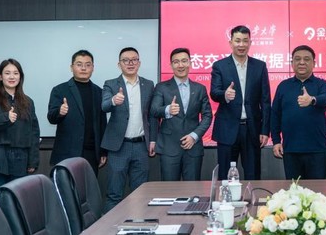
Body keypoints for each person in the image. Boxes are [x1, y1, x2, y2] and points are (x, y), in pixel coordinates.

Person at [210, 25, 272, 180]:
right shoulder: (220, 66)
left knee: (253, 175)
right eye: (237, 40)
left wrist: (265, 130)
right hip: (227, 129)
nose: (241, 44)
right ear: (231, 42)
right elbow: (214, 92)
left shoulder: (259, 66)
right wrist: (225, 94)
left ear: (250, 43)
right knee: (225, 176)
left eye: (245, 41)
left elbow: (265, 101)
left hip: (252, 130)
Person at [100, 47, 156, 211]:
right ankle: (110, 226)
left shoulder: (148, 84)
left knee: (140, 194)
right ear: (119, 64)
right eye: (126, 60)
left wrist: (153, 140)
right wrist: (113, 100)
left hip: (141, 146)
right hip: (119, 147)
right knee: (114, 194)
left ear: (139, 63)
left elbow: (151, 115)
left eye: (134, 60)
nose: (130, 63)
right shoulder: (110, 84)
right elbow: (104, 106)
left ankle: (138, 223)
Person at [0, 58, 40, 197]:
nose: (12, 77)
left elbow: (34, 133)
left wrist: (33, 161)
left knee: (17, 202)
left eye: (15, 73)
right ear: (0, 77)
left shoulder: (28, 102)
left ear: (20, 77)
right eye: (7, 73)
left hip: (20, 160)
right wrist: (5, 118)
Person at [270, 45, 326, 179]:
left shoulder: (322, 84)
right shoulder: (283, 86)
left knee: (317, 189)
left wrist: (312, 100)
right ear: (292, 63)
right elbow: (275, 115)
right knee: (294, 189)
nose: (302, 62)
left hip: (316, 150)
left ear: (314, 63)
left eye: (306, 59)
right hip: (290, 150)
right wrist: (276, 141)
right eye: (297, 59)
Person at [151, 48, 213, 181]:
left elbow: (207, 116)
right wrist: (167, 109)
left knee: (193, 189)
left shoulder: (200, 89)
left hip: (193, 148)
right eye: (176, 62)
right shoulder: (161, 87)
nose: (180, 65)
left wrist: (194, 136)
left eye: (184, 61)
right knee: (169, 189)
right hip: (169, 148)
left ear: (190, 63)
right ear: (171, 65)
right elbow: (154, 110)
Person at [47, 49, 107, 174]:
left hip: (91, 153)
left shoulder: (99, 92)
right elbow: (51, 118)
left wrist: (103, 151)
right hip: (67, 153)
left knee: (88, 186)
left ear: (93, 68)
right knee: (66, 186)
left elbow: (102, 124)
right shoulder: (59, 90)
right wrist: (60, 112)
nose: (83, 68)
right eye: (79, 64)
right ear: (71, 67)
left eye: (87, 65)